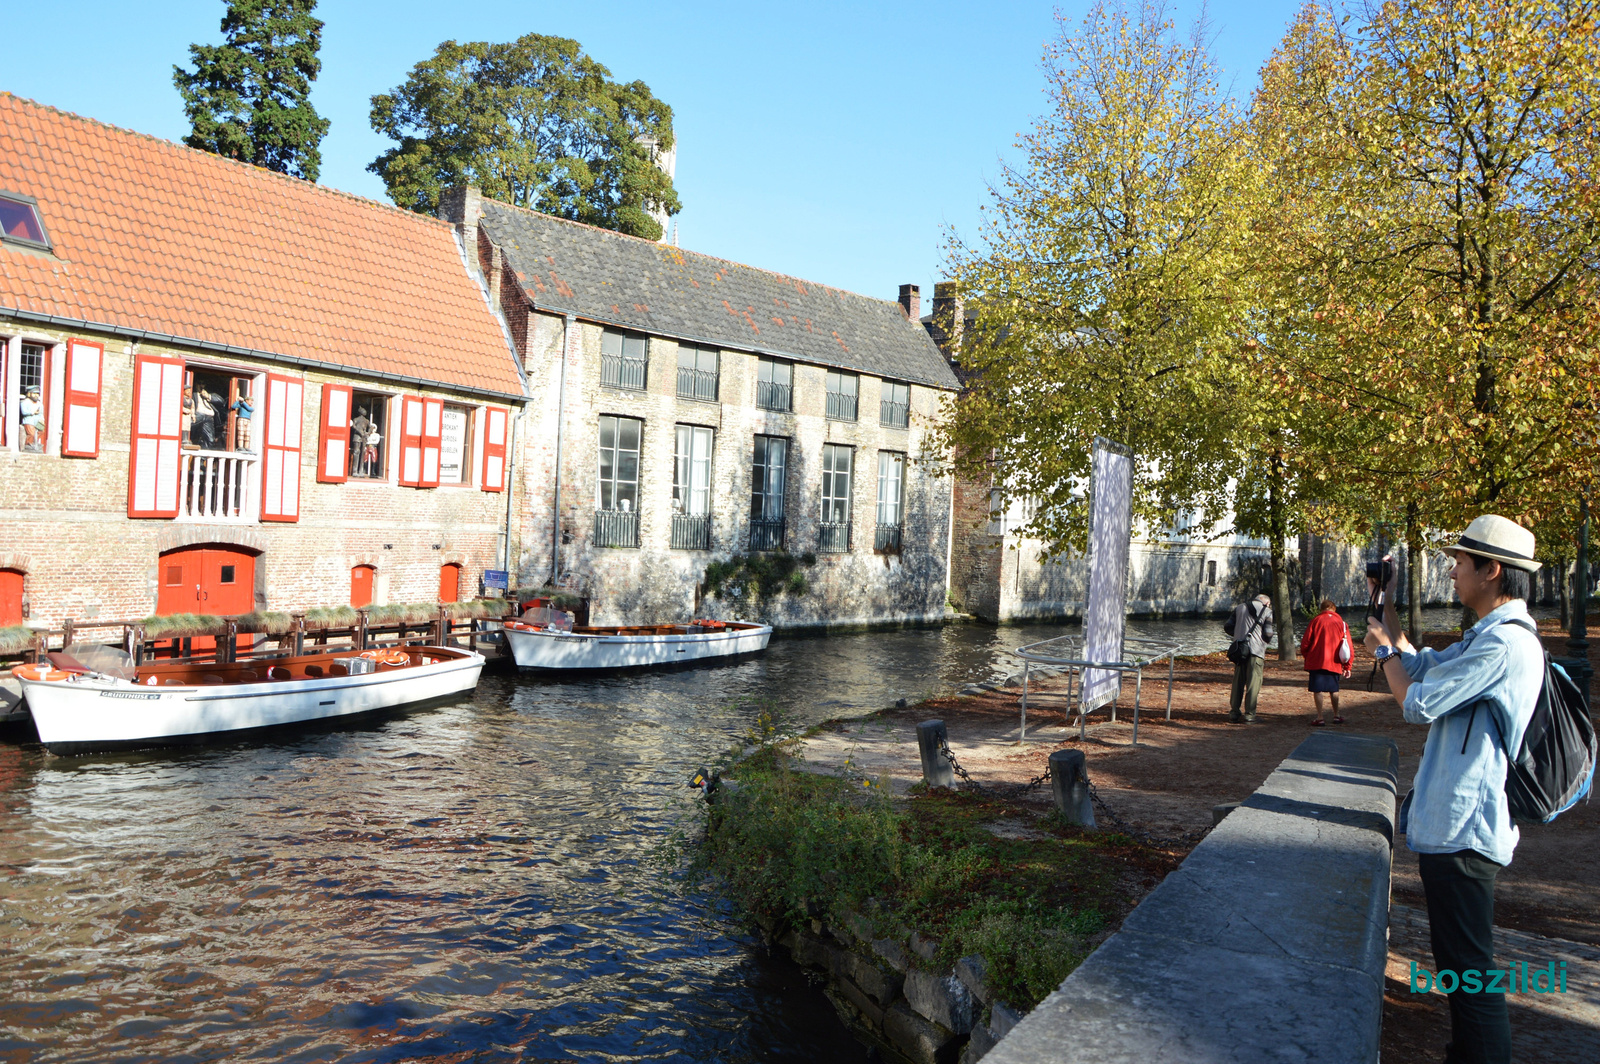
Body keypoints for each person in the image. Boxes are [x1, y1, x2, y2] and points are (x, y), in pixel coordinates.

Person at [1364, 515, 1544, 1064]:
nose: (1452, 571)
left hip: (1466, 832)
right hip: (1451, 828)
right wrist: (1384, 603)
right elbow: (1420, 667)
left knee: (1470, 969)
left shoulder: (1505, 647)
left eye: (1461, 562)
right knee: (1459, 964)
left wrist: (1381, 652)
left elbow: (1416, 701)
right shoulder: (1488, 637)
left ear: (1492, 571)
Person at [1223, 592, 1275, 723]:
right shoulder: (1267, 611)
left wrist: (1239, 635)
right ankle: (1250, 714)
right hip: (1256, 651)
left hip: (1240, 649)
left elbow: (1228, 626)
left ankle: (1234, 713)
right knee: (1253, 683)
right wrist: (1262, 641)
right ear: (1267, 603)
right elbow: (1268, 634)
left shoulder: (1239, 607)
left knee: (1238, 682)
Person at [1299, 599, 1353, 725]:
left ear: (1321, 609)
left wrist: (1308, 656)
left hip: (1317, 661)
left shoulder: (1315, 621)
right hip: (1334, 661)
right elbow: (1348, 647)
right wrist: (1347, 666)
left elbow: (1305, 643)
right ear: (1334, 609)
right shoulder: (1342, 624)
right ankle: (1337, 715)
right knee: (1334, 689)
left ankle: (1320, 717)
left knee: (1317, 690)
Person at [19, 386, 44, 452]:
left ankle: (34, 443)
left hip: (38, 421)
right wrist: (32, 412)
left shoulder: (39, 404)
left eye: (37, 394)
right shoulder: (24, 402)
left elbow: (41, 413)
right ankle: (28, 445)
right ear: (29, 394)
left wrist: (42, 420)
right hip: (29, 421)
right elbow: (24, 412)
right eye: (34, 393)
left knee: (40, 432)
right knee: (31, 434)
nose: (36, 395)